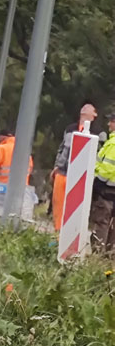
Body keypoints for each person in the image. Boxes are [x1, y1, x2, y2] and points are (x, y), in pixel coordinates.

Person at [52, 102, 98, 230]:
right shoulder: (70, 128)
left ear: (94, 115)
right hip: (62, 172)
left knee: (74, 207)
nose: (85, 108)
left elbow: (98, 155)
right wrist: (56, 166)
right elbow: (61, 148)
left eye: (90, 108)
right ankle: (57, 232)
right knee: (58, 204)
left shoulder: (98, 133)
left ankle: (71, 232)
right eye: (84, 107)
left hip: (80, 177)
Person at [90, 116, 115, 254]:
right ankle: (110, 258)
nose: (108, 124)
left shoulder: (113, 144)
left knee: (102, 223)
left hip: (107, 190)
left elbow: (108, 167)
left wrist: (98, 182)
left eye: (111, 121)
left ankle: (97, 255)